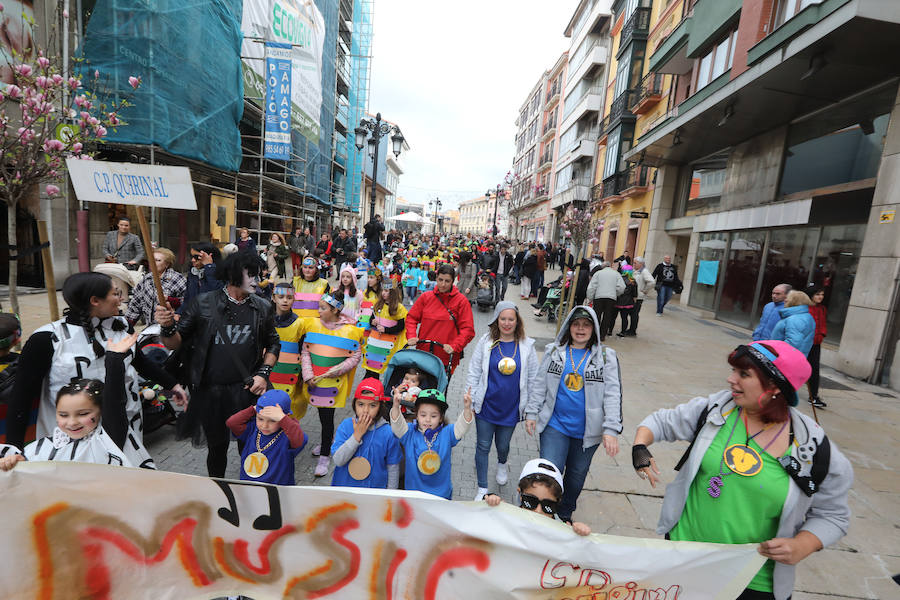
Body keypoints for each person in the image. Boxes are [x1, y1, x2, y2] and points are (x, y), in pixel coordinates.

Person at [632, 340, 852, 600]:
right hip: (683, 559)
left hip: (752, 582)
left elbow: (834, 515)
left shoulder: (814, 449)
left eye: (743, 374)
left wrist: (803, 544)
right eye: (734, 371)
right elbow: (661, 422)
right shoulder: (717, 409)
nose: (730, 379)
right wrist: (640, 446)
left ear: (775, 387)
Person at [7, 273, 177, 464]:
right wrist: (13, 449)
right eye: (116, 293)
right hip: (69, 440)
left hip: (123, 430)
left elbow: (140, 362)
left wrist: (173, 385)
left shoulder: (122, 327)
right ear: (95, 301)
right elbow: (21, 397)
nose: (121, 299)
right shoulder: (47, 339)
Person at [155, 251, 280, 478]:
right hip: (210, 391)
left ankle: (249, 487)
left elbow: (273, 344)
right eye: (250, 275)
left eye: (258, 274)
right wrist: (166, 327)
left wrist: (263, 374)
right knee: (217, 447)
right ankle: (217, 490)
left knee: (250, 446)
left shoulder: (262, 306)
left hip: (247, 391)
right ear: (233, 275)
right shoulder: (203, 303)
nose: (256, 280)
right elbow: (174, 343)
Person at [524, 306, 622, 523]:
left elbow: (613, 395)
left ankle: (565, 513)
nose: (580, 329)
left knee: (576, 477)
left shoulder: (606, 357)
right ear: (569, 328)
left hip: (588, 432)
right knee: (551, 474)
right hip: (554, 425)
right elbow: (540, 384)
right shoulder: (553, 351)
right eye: (576, 324)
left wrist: (611, 429)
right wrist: (532, 412)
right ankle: (547, 513)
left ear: (593, 329)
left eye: (586, 325)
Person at [0, 332, 153, 470]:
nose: (72, 422)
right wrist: (13, 461)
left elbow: (114, 403)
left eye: (83, 413)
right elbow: (24, 465)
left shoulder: (108, 439)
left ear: (101, 412)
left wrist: (114, 359)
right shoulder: (43, 447)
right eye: (63, 415)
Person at [466, 302, 539, 501]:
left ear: (517, 321)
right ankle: (482, 487)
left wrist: (531, 410)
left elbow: (533, 378)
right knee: (482, 445)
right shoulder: (486, 342)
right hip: (487, 405)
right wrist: (469, 399)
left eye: (511, 319)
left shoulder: (526, 346)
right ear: (497, 321)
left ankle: (501, 462)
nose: (507, 323)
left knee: (503, 444)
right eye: (503, 319)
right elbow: (474, 371)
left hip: (511, 408)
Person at [298, 293, 365, 477]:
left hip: (333, 383)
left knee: (327, 418)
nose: (318, 311)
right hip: (314, 381)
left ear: (335, 310)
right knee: (321, 416)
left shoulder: (350, 330)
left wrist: (338, 369)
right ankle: (326, 442)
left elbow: (355, 355)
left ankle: (325, 455)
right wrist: (308, 374)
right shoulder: (312, 326)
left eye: (323, 308)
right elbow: (306, 351)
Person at [389, 387, 473, 499]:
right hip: (414, 495)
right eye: (423, 415)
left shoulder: (447, 433)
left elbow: (462, 426)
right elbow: (396, 424)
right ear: (417, 415)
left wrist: (467, 409)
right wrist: (395, 407)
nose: (427, 420)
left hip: (440, 496)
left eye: (433, 416)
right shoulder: (409, 433)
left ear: (441, 418)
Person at [483, 458, 591, 536]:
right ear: (520, 494)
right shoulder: (509, 515)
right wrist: (491, 502)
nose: (538, 511)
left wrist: (579, 535)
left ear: (558, 502)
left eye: (548, 506)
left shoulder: (561, 529)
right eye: (531, 501)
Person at [406, 264, 475, 378]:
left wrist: (455, 346)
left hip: (446, 357)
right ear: (436, 278)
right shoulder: (426, 297)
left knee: (438, 394)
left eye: (447, 281)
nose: (443, 284)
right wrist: (411, 335)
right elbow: (411, 318)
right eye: (440, 280)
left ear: (453, 281)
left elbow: (468, 330)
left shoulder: (461, 301)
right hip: (423, 354)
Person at [226, 389, 307, 485]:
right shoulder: (252, 429)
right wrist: (253, 409)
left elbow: (300, 440)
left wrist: (283, 419)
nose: (264, 426)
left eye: (272, 421)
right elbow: (232, 423)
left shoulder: (287, 436)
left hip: (277, 488)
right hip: (249, 485)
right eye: (260, 419)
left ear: (286, 416)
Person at [331, 378, 401, 489]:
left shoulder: (388, 433)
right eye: (361, 404)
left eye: (372, 405)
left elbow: (393, 468)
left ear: (380, 406)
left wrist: (390, 496)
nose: (365, 410)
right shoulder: (346, 426)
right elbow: (338, 460)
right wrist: (356, 436)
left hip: (374, 494)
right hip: (345, 490)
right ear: (354, 404)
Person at [269, 282, 308, 419]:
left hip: (291, 378)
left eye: (289, 297)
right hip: (269, 376)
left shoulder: (300, 324)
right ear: (274, 298)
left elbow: (304, 352)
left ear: (294, 299)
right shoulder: (265, 321)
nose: (285, 300)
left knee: (289, 417)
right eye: (281, 297)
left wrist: (304, 376)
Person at [124, 247, 187, 326]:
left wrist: (169, 300)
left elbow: (187, 303)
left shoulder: (177, 279)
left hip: (172, 326)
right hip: (151, 327)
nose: (153, 263)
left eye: (158, 260)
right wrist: (127, 327)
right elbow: (135, 304)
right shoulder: (146, 279)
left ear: (167, 264)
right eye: (152, 260)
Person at [363, 279, 407, 377]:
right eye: (383, 290)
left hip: (388, 342)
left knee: (382, 363)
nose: (383, 293)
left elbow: (401, 326)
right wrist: (372, 322)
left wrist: (386, 330)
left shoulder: (399, 308)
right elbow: (371, 319)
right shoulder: (379, 304)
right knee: (372, 362)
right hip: (376, 341)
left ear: (393, 293)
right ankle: (369, 382)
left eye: (386, 291)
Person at [586, 261, 625, 343]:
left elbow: (591, 287)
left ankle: (595, 334)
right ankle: (602, 335)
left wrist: (590, 297)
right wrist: (616, 293)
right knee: (607, 317)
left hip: (598, 297)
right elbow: (622, 287)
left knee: (597, 315)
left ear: (602, 267)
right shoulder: (616, 274)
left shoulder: (598, 273)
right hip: (611, 298)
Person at [772, 291, 816, 356]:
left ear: (794, 301)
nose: (785, 300)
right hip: (796, 358)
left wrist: (775, 354)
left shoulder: (794, 319)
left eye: (787, 298)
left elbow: (793, 342)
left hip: (783, 359)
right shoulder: (806, 316)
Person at [806, 285, 827, 409]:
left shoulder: (822, 309)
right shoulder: (804, 308)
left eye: (822, 295)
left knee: (814, 369)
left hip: (816, 344)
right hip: (804, 343)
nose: (820, 297)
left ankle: (813, 396)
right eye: (817, 294)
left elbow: (823, 324)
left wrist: (822, 334)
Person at [183, 242, 222, 310]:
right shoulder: (193, 273)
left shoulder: (220, 272)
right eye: (191, 256)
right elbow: (187, 299)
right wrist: (179, 312)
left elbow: (218, 292)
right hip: (194, 314)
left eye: (197, 257)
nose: (193, 260)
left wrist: (209, 267)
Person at [625, 257, 655, 336]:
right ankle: (631, 329)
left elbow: (652, 282)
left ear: (641, 264)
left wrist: (645, 290)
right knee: (632, 314)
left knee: (634, 314)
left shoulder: (644, 271)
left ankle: (632, 331)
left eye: (635, 263)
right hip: (633, 296)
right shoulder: (637, 271)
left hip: (638, 297)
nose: (633, 264)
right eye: (633, 263)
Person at [613, 266, 637, 338]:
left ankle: (609, 331)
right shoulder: (633, 281)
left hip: (617, 301)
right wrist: (634, 302)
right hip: (628, 303)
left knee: (613, 317)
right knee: (624, 318)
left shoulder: (618, 279)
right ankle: (623, 332)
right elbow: (634, 294)